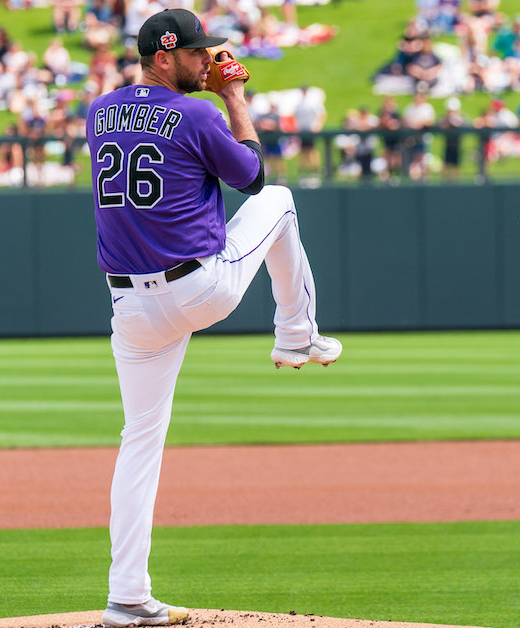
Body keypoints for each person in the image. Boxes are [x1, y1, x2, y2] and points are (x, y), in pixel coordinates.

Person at [87, 10, 341, 627]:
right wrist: (234, 96)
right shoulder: (200, 110)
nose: (207, 60)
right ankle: (295, 335)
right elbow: (254, 177)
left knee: (138, 444)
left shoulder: (98, 113)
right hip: (200, 286)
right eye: (197, 54)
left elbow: (154, 144)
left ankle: (127, 597)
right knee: (280, 202)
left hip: (131, 308)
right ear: (164, 56)